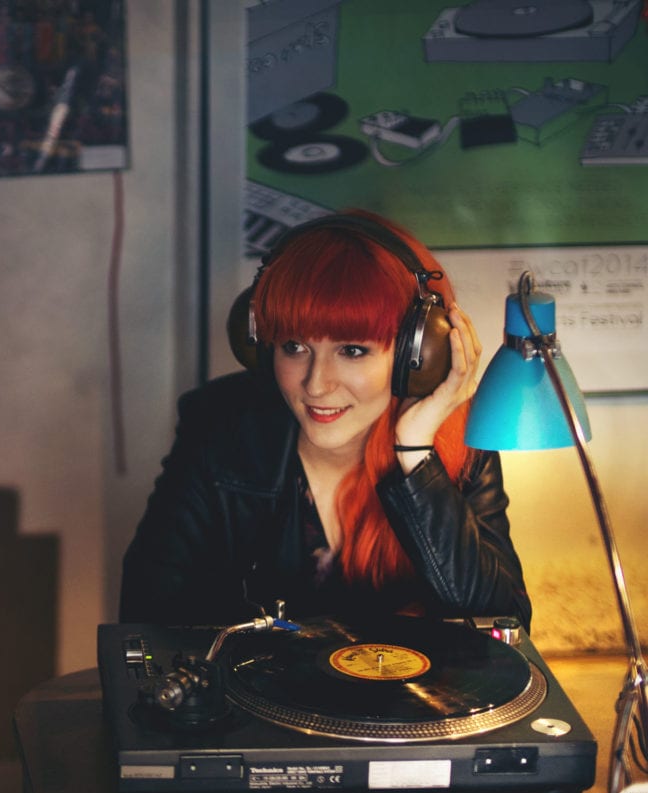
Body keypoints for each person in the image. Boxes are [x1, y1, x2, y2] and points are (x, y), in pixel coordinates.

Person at [119, 210, 531, 630]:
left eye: (352, 350)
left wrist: (415, 457)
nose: (316, 385)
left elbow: (502, 629)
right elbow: (147, 620)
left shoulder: (461, 441)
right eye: (294, 346)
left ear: (421, 356)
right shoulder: (220, 429)